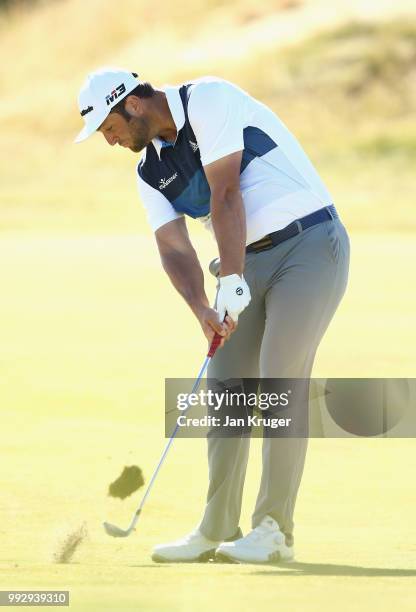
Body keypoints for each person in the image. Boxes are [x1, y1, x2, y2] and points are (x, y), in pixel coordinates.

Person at [75, 67, 350, 564]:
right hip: (242, 261)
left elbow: (227, 194)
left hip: (308, 244)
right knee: (226, 391)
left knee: (279, 379)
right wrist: (203, 306)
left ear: (131, 105)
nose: (110, 141)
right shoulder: (148, 173)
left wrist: (230, 279)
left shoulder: (208, 99)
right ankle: (217, 526)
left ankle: (274, 531)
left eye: (109, 128)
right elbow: (174, 247)